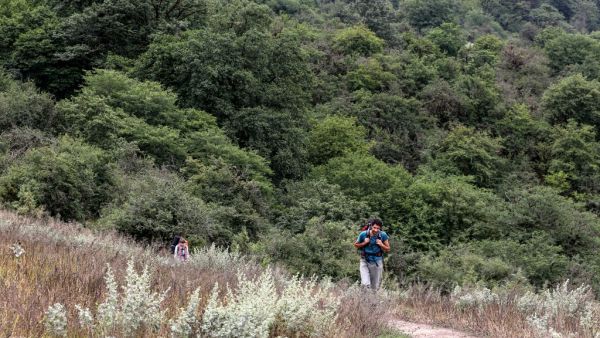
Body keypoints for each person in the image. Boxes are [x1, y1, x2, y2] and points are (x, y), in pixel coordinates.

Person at [354, 218, 390, 290]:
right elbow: (356, 245)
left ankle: (371, 300)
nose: (376, 230)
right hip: (364, 260)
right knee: (365, 283)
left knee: (374, 286)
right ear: (371, 226)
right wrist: (364, 242)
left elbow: (388, 249)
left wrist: (381, 244)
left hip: (376, 262)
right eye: (374, 227)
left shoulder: (383, 235)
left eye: (378, 228)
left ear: (380, 228)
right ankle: (363, 299)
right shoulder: (363, 234)